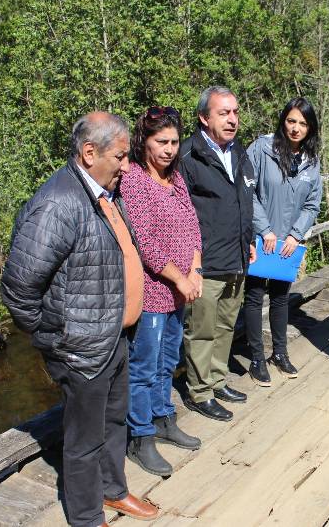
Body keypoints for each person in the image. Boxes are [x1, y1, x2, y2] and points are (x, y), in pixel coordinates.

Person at [0, 112, 158, 526]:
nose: (127, 166)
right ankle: (87, 518)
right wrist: (56, 340)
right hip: (83, 347)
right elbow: (18, 289)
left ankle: (113, 491)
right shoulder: (59, 203)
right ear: (90, 153)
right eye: (121, 157)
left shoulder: (104, 192)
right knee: (84, 441)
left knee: (114, 421)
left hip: (115, 337)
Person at [120, 107, 203, 476]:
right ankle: (141, 437)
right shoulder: (135, 181)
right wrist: (179, 278)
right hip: (155, 292)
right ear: (145, 142)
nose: (170, 149)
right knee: (143, 367)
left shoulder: (177, 178)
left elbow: (193, 226)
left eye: (174, 142)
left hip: (180, 291)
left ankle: (164, 418)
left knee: (168, 362)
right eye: (161, 142)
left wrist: (196, 270)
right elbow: (147, 242)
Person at [179, 86, 257, 422]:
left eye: (235, 112)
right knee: (201, 329)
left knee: (225, 326)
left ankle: (217, 379)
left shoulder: (239, 151)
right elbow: (180, 214)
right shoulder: (188, 156)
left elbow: (245, 200)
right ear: (203, 118)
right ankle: (199, 392)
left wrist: (249, 238)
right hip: (205, 263)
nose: (232, 119)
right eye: (224, 113)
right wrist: (190, 264)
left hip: (237, 258)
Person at [243, 97, 323, 386]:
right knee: (253, 297)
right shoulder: (261, 149)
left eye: (303, 123)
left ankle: (279, 353)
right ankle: (255, 359)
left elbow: (313, 204)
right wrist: (264, 230)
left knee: (280, 298)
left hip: (287, 244)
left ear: (310, 128)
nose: (296, 128)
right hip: (259, 238)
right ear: (282, 121)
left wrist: (295, 235)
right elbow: (247, 191)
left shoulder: (311, 162)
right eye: (291, 121)